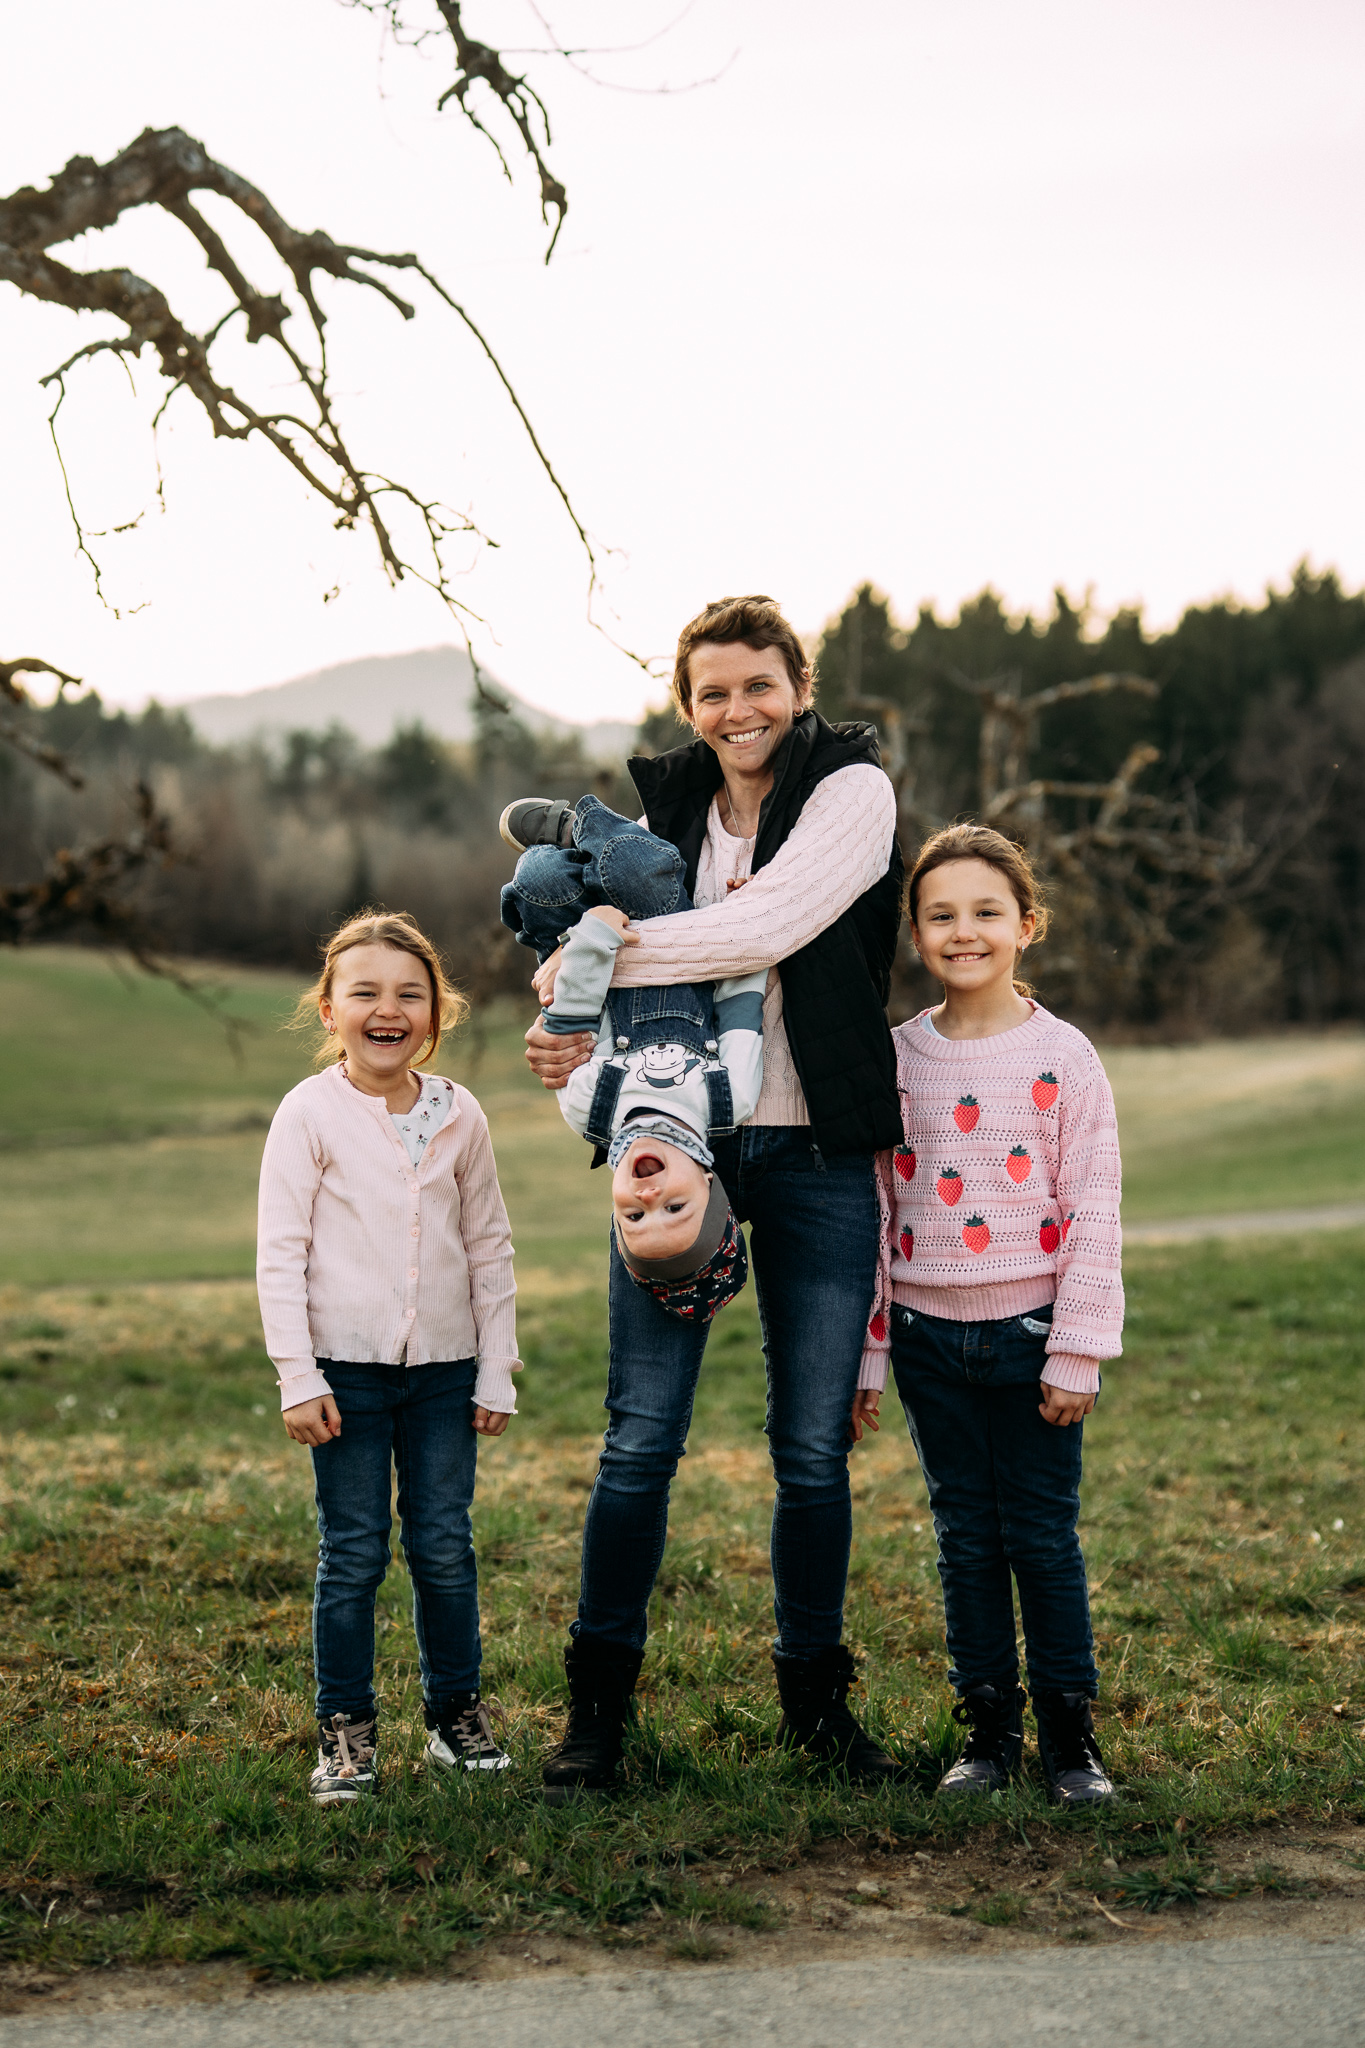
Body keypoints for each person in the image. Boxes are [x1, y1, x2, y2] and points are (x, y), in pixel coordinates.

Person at [521, 595, 905, 1797]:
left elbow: (767, 927)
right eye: (714, 692)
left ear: (800, 685)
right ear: (688, 705)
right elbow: (609, 982)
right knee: (641, 1435)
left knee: (811, 1449)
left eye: (759, 685)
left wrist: (585, 966)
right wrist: (568, 1027)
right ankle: (596, 1711)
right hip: (679, 1145)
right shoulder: (666, 816)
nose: (738, 711)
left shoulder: (852, 789)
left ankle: (816, 1706)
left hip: (819, 1152)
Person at [855, 825, 1122, 1807]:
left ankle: (1070, 1741)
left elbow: (1094, 1205)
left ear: (1026, 925)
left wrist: (1077, 1348)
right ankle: (986, 1733)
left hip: (1031, 1337)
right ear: (916, 933)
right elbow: (876, 1214)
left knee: (1042, 1538)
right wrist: (871, 1356)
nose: (963, 931)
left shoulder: (1065, 1056)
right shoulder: (895, 1057)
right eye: (940, 915)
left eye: (985, 911)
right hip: (927, 1341)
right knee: (964, 1536)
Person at [257, 911, 520, 1805]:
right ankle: (345, 1732)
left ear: (435, 1014)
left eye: (410, 994)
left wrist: (496, 1365)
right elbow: (280, 1253)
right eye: (365, 992)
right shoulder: (308, 1113)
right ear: (329, 1010)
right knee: (354, 1554)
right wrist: (298, 1377)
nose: (388, 1009)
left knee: (443, 1546)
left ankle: (454, 1717)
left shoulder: (460, 1113)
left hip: (446, 1371)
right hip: (345, 1375)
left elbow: (488, 1244)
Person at [499, 792, 763, 1316]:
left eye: (635, 1219)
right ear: (709, 1185)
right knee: (633, 869)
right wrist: (744, 914)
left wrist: (590, 939)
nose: (649, 1199)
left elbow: (572, 1018)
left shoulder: (591, 1111)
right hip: (666, 930)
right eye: (676, 1207)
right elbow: (739, 1002)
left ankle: (577, 847)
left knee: (538, 878)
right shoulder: (728, 1098)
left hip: (588, 953)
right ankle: (579, 825)